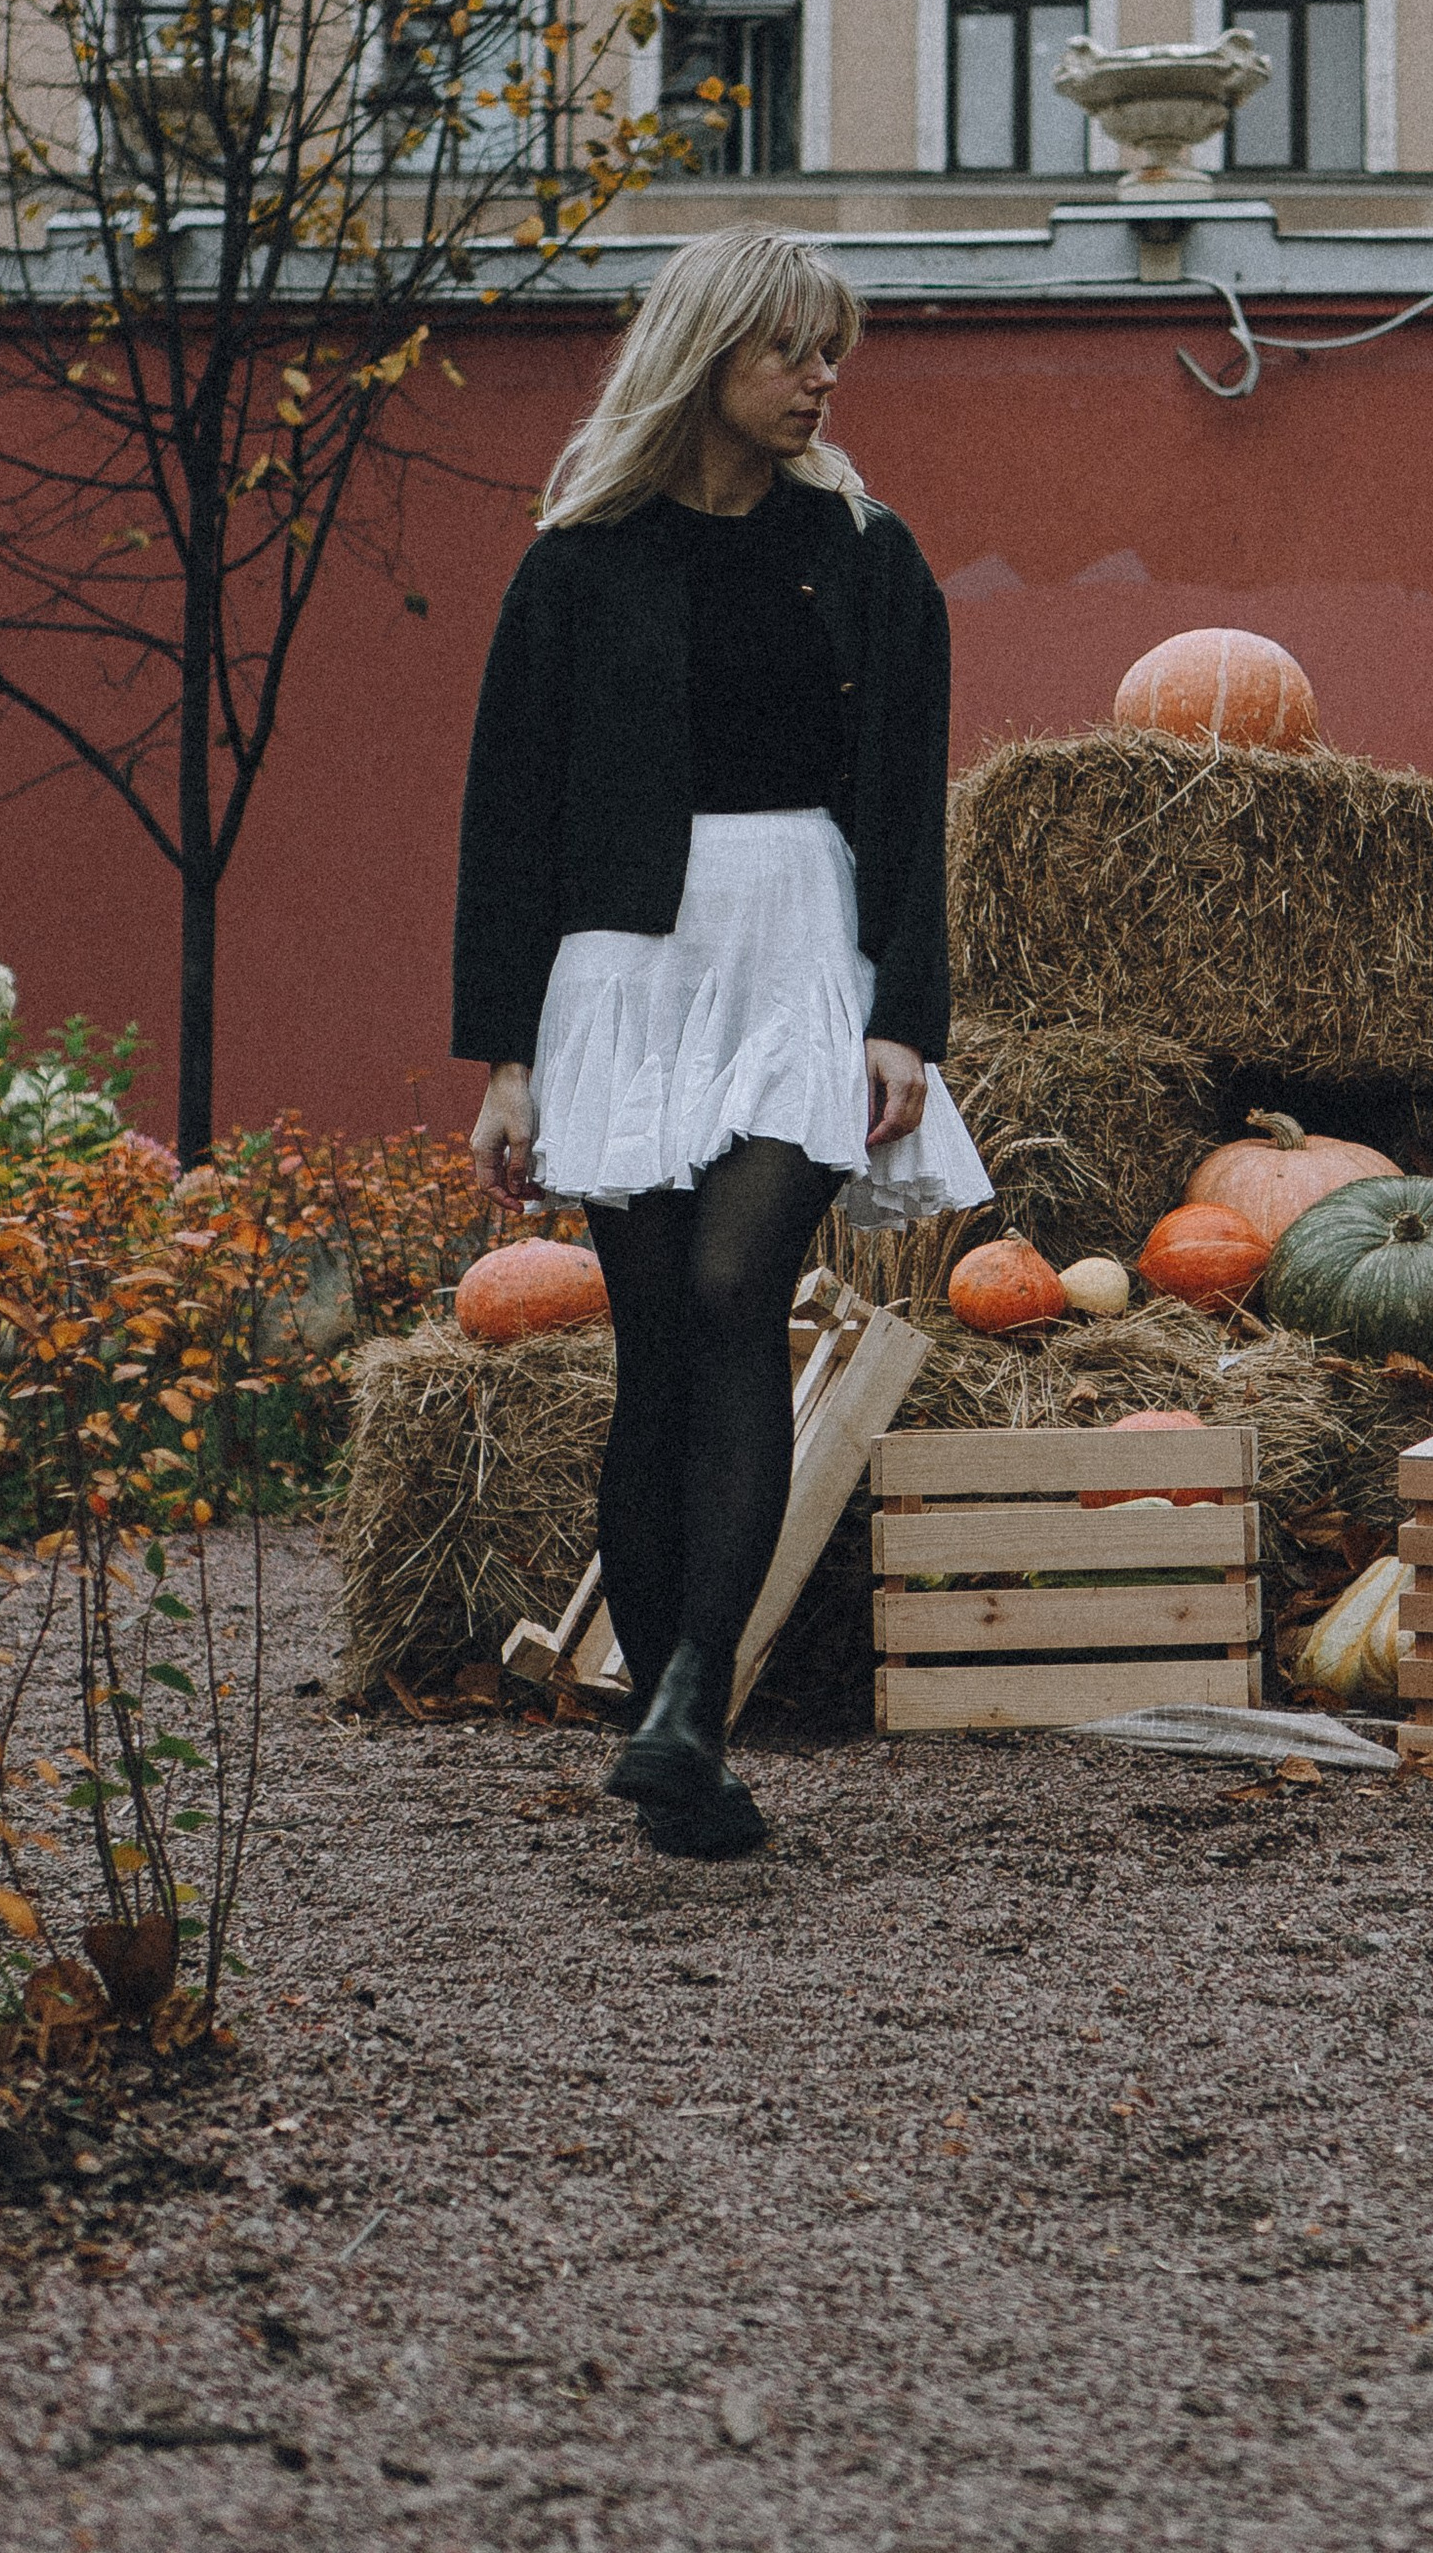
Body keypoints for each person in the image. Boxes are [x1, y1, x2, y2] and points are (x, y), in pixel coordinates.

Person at [453, 229, 992, 1858]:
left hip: (799, 950)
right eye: (792, 350)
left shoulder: (867, 552)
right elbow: (510, 819)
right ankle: (662, 1729)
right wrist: (506, 1057)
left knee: (732, 1294)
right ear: (707, 355)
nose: (822, 380)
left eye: (833, 350)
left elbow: (908, 797)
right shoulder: (576, 563)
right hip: (621, 967)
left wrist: (908, 1014)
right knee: (654, 1342)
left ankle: (694, 1693)